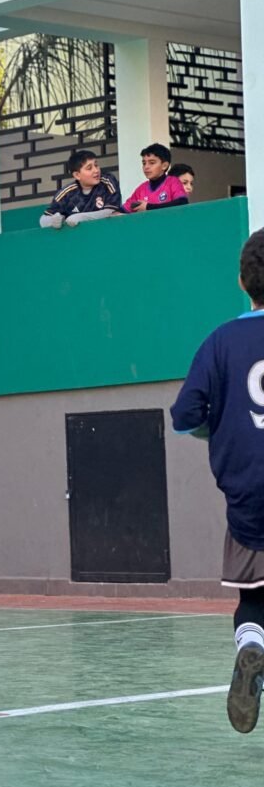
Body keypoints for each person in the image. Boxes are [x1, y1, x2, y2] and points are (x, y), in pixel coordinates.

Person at [171, 229, 264, 734]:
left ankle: (251, 643)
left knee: (254, 599)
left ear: (241, 282)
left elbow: (184, 416)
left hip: (249, 496)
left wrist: (223, 425)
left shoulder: (220, 341)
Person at [39, 150, 121, 229]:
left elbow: (111, 211)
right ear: (77, 175)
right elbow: (43, 220)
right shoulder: (67, 193)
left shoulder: (107, 181)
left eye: (96, 165)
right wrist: (53, 221)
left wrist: (80, 217)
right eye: (89, 168)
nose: (96, 170)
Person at [123, 143, 188, 212]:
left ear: (164, 166)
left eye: (152, 163)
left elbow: (182, 203)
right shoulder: (141, 189)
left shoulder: (173, 182)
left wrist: (148, 207)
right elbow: (123, 209)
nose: (146, 167)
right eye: (144, 163)